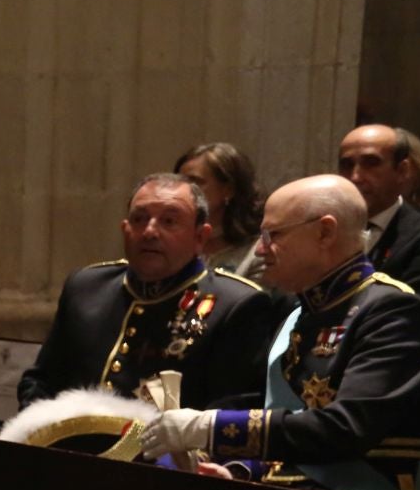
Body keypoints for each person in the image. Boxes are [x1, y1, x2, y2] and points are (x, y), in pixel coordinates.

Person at [142, 175, 420, 490]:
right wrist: (240, 471)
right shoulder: (300, 312)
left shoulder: (393, 310)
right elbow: (285, 421)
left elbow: (345, 429)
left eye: (273, 235)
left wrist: (213, 427)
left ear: (325, 231)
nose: (261, 249)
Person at [18, 174, 276, 411]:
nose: (150, 231)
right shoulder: (86, 286)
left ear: (200, 237)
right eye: (139, 219)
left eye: (169, 221)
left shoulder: (236, 305)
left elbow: (229, 415)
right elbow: (42, 381)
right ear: (125, 228)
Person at [337, 123, 420, 298]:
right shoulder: (325, 227)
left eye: (371, 163)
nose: (355, 177)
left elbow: (412, 312)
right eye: (346, 165)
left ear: (402, 171)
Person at [173, 142, 264, 277]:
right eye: (179, 182)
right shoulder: (170, 244)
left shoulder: (258, 253)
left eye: (195, 182)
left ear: (228, 190)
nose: (183, 190)